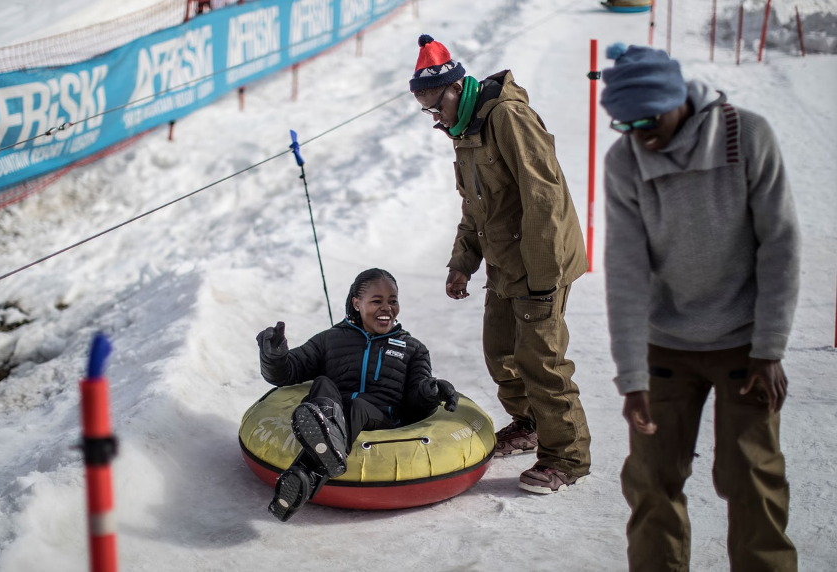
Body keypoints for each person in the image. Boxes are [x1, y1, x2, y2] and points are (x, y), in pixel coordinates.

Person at [601, 43, 800, 571]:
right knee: (651, 482)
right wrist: (633, 378)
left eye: (648, 118)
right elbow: (625, 272)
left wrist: (770, 347)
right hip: (666, 347)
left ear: (677, 100)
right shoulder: (625, 160)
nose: (640, 133)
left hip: (743, 343)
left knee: (752, 480)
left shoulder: (746, 136)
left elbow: (779, 244)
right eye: (624, 124)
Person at [410, 34, 592, 494]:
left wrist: (544, 280)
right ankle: (529, 425)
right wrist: (462, 263)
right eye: (427, 110)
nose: (435, 118)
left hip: (539, 261)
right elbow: (476, 206)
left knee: (541, 361)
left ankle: (566, 458)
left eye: (436, 106)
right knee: (501, 352)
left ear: (456, 90)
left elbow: (544, 196)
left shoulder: (507, 117)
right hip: (506, 260)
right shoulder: (464, 131)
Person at [256, 268, 459, 522]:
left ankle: (305, 474)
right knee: (322, 383)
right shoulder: (331, 339)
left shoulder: (412, 348)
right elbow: (288, 372)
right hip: (336, 414)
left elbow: (415, 400)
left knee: (357, 405)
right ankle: (321, 447)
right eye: (377, 301)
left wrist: (433, 390)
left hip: (381, 417)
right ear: (357, 303)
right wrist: (274, 357)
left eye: (392, 301)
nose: (387, 308)